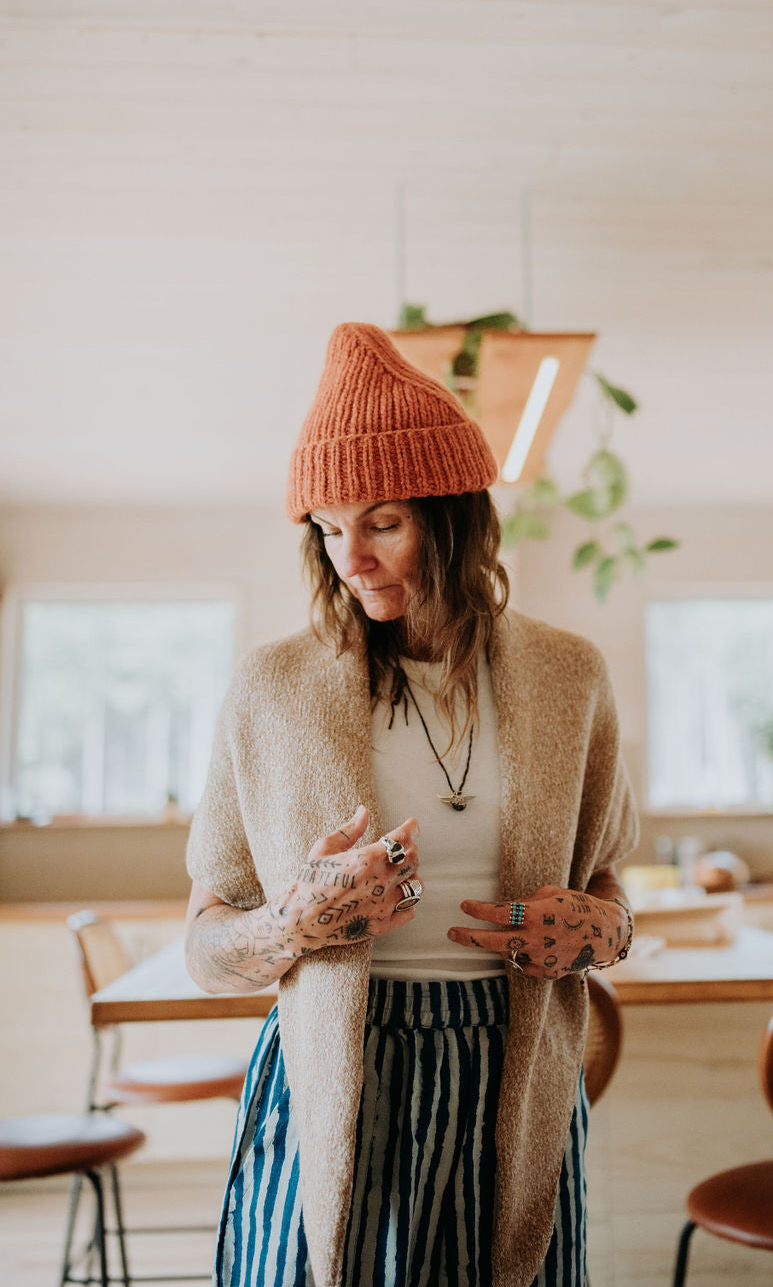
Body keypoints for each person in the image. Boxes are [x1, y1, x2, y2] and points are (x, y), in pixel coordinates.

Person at [184, 323, 638, 1287]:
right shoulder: (270, 688)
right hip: (331, 1075)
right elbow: (204, 945)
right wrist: (293, 924)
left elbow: (607, 886)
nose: (351, 556)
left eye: (384, 521)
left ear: (459, 516)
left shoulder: (569, 677)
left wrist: (601, 932)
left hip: (511, 1076)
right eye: (327, 525)